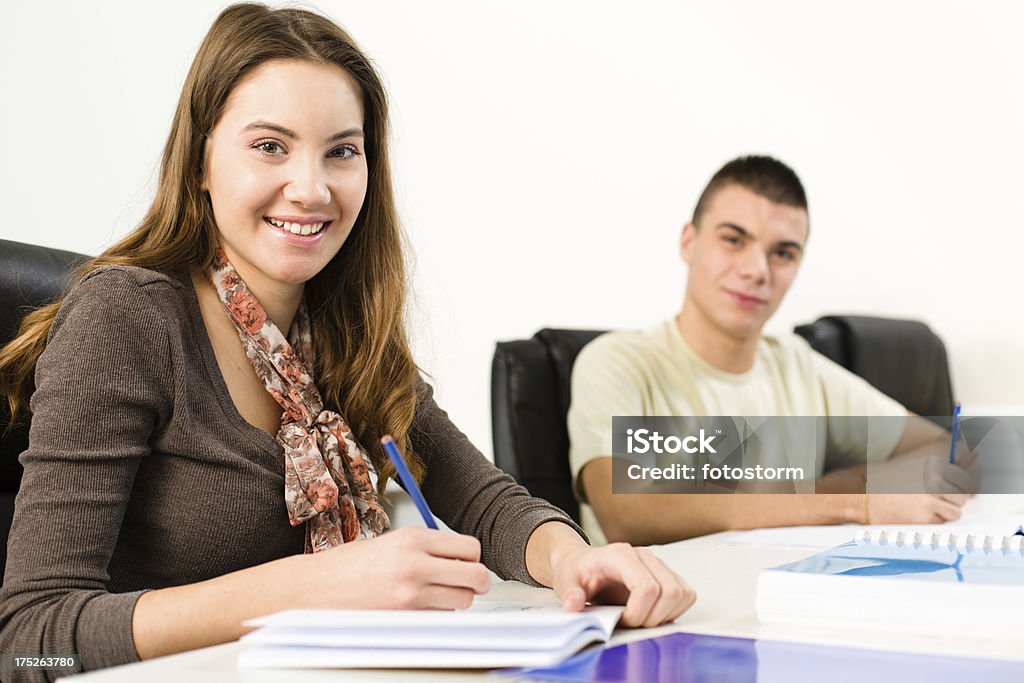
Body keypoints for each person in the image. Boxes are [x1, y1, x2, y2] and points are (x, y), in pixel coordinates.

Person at [0, 4, 694, 678]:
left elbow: (483, 499)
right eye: (270, 145)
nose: (310, 188)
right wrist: (312, 585)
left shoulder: (341, 329)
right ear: (202, 159)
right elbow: (30, 640)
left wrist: (576, 559)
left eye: (342, 152)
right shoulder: (126, 318)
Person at [568, 155, 975, 546]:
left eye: (782, 253)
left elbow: (946, 447)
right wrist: (853, 496)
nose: (757, 271)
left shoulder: (797, 364)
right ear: (689, 242)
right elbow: (627, 512)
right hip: (664, 609)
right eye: (733, 239)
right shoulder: (618, 362)